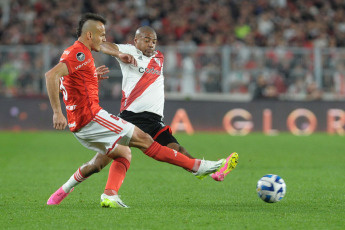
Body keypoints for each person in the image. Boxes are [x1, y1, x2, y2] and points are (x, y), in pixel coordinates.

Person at [45, 13, 235, 208]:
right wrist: (57, 112)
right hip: (119, 116)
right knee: (121, 153)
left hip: (151, 120)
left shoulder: (158, 57)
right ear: (136, 41)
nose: (104, 39)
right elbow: (55, 74)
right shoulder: (93, 52)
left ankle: (77, 192)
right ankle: (199, 167)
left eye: (154, 41)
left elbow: (67, 82)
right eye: (101, 34)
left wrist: (91, 77)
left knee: (128, 154)